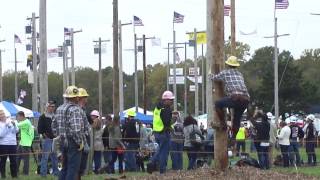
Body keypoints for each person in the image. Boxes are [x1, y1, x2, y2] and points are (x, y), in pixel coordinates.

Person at [52, 86, 89, 180]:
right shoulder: (75, 109)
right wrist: (80, 142)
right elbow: (76, 130)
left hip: (62, 142)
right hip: (73, 143)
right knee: (73, 170)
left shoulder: (59, 109)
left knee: (64, 168)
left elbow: (53, 126)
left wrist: (59, 136)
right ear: (76, 97)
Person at [209, 56, 250, 140]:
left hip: (235, 98)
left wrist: (210, 73)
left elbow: (214, 78)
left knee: (218, 104)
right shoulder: (240, 74)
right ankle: (233, 138)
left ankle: (223, 123)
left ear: (228, 65)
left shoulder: (225, 73)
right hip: (245, 99)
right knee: (237, 119)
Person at [147, 90, 174, 174]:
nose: (172, 101)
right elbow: (166, 122)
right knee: (164, 153)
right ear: (166, 100)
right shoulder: (166, 109)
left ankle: (153, 163)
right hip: (163, 132)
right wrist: (173, 122)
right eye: (171, 100)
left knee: (160, 150)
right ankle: (160, 169)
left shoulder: (157, 108)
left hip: (157, 132)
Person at [38, 100, 59, 177]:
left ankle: (56, 172)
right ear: (47, 107)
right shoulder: (42, 117)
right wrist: (45, 136)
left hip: (55, 139)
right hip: (46, 140)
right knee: (45, 158)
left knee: (55, 157)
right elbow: (39, 129)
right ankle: (43, 174)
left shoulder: (55, 116)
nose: (52, 108)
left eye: (53, 106)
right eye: (50, 106)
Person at [77, 88, 91, 178]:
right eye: (85, 97)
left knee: (81, 166)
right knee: (79, 165)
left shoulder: (84, 110)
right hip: (81, 140)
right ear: (80, 98)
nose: (86, 99)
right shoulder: (78, 110)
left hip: (84, 138)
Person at [0, 110, 19, 178]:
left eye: (3, 114)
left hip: (13, 144)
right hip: (3, 144)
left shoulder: (10, 121)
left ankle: (14, 175)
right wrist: (5, 126)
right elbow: (1, 135)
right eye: (0, 115)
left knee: (13, 160)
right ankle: (3, 175)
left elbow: (16, 131)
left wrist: (14, 125)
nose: (2, 116)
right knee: (3, 161)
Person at [16, 111, 34, 175]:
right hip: (22, 142)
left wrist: (12, 121)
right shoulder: (24, 121)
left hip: (26, 143)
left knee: (26, 159)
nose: (17, 118)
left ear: (21, 116)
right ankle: (16, 170)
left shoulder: (26, 122)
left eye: (18, 117)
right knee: (17, 157)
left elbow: (17, 125)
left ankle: (25, 173)